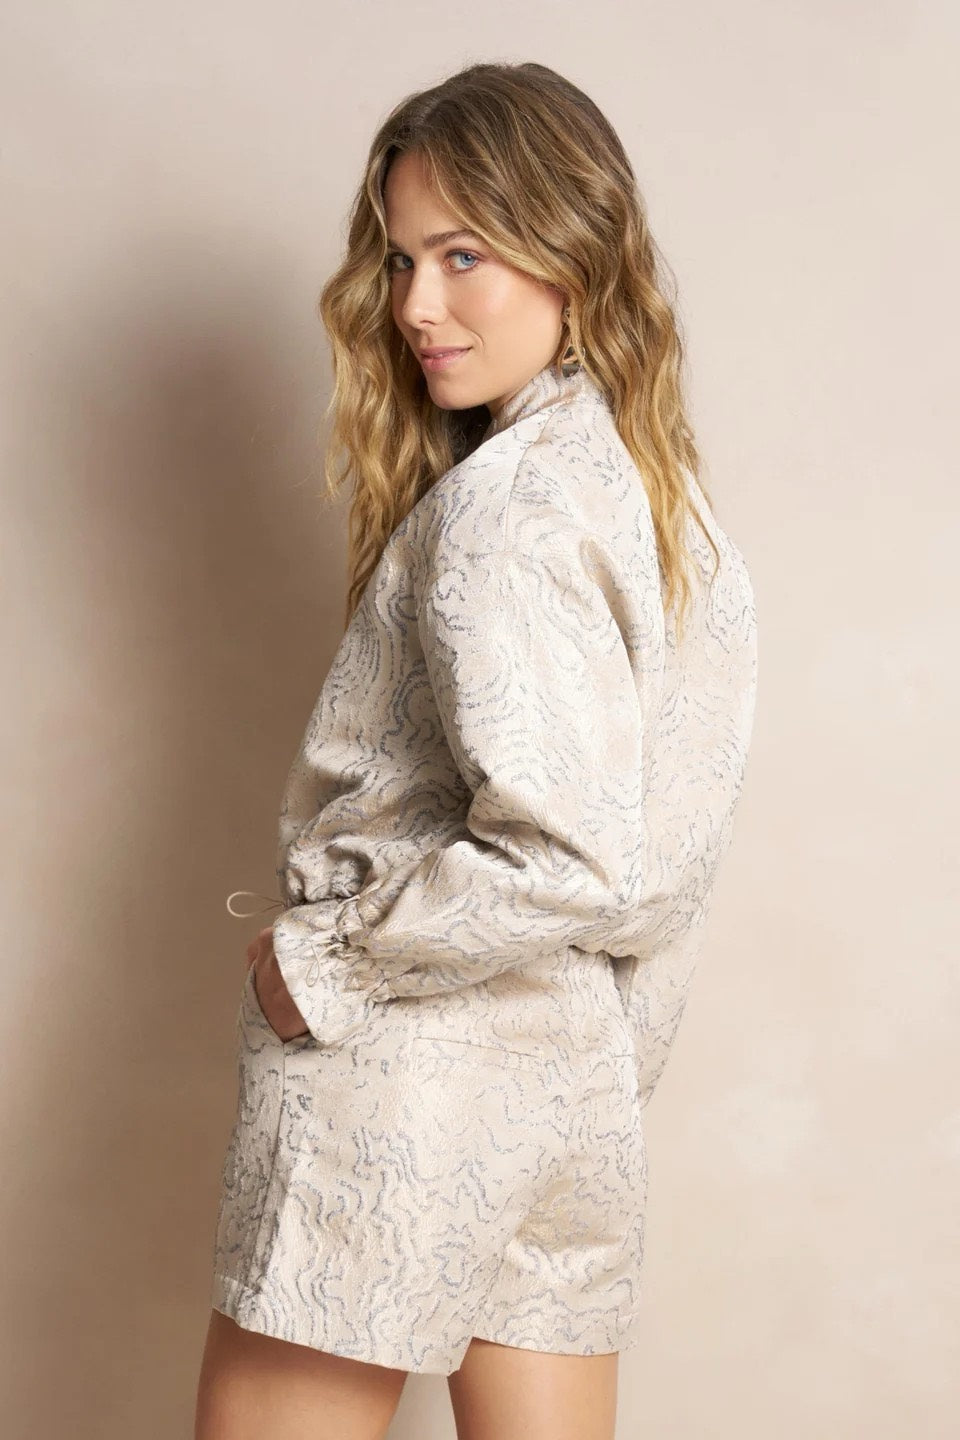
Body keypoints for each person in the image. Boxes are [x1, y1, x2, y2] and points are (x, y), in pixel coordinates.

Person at [194, 60, 758, 1440]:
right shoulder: (666, 511)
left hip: (397, 1078)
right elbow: (662, 866)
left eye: (463, 255)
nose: (414, 307)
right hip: (567, 1097)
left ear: (575, 248)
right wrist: (600, 1070)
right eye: (401, 260)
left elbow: (566, 858)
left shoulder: (504, 512)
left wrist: (323, 962)